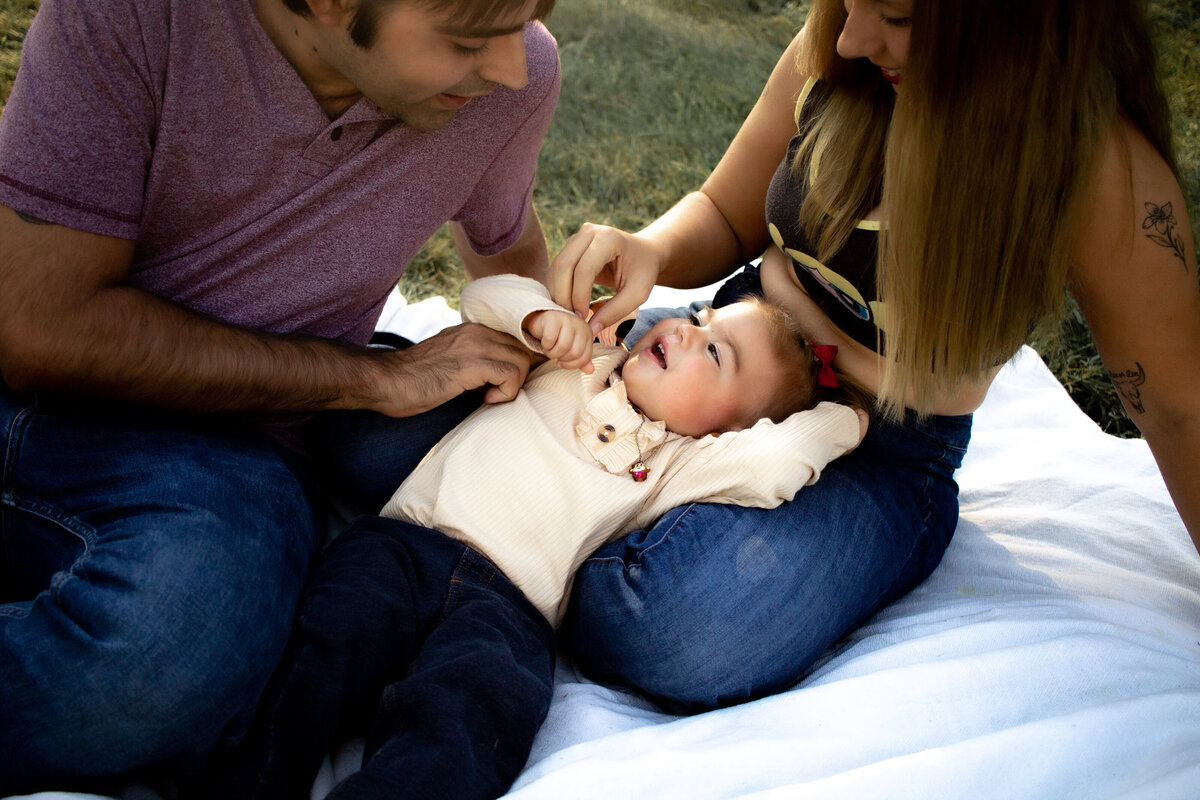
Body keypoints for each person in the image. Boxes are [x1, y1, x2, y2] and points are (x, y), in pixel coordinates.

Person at [549, 0, 1200, 712]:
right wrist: (650, 249)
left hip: (879, 447)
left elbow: (1178, 409)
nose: (855, 37)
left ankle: (513, 552)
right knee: (493, 387)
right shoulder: (841, 46)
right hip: (732, 339)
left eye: (895, 14)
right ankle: (515, 537)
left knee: (677, 625)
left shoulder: (1091, 166)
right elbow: (726, 211)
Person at [0, 0, 560, 791]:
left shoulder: (515, 81)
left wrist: (562, 342)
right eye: (468, 40)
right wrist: (370, 376)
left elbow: (512, 260)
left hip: (221, 459)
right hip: (24, 373)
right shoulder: (129, 14)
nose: (511, 66)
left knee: (172, 653)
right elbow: (37, 329)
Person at [197, 273, 867, 800]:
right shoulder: (584, 360)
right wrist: (542, 320)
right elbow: (485, 297)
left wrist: (850, 417)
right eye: (699, 318)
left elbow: (781, 461)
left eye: (715, 352)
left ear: (730, 429)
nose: (687, 331)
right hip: (405, 543)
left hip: (510, 609)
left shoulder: (684, 466)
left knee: (473, 718)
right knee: (321, 651)